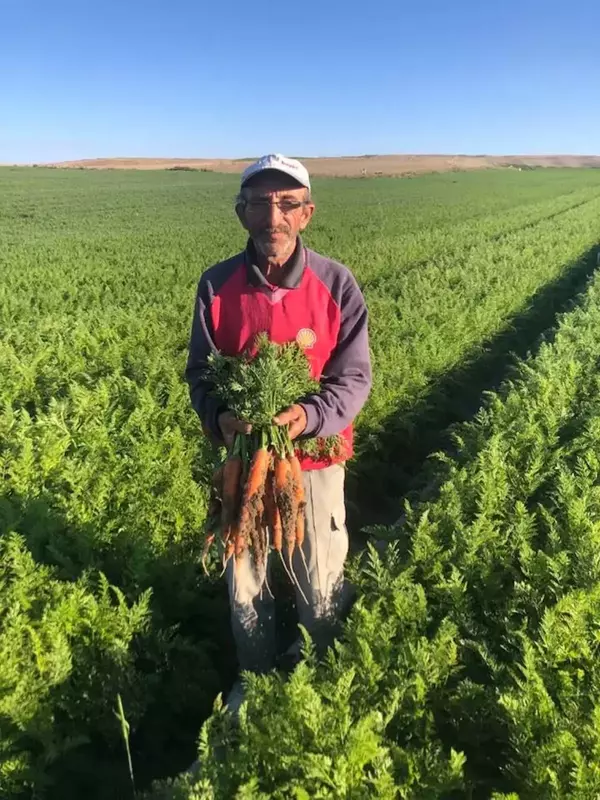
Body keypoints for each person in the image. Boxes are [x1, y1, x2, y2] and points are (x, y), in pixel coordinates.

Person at [185, 153, 371, 713]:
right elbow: (200, 372)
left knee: (318, 582)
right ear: (242, 213)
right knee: (245, 580)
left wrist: (309, 418)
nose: (275, 215)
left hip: (311, 463)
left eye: (288, 203)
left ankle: (318, 681)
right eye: (262, 203)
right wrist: (219, 417)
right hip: (242, 464)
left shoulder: (336, 284)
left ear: (306, 214)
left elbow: (355, 378)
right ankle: (258, 683)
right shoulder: (216, 285)